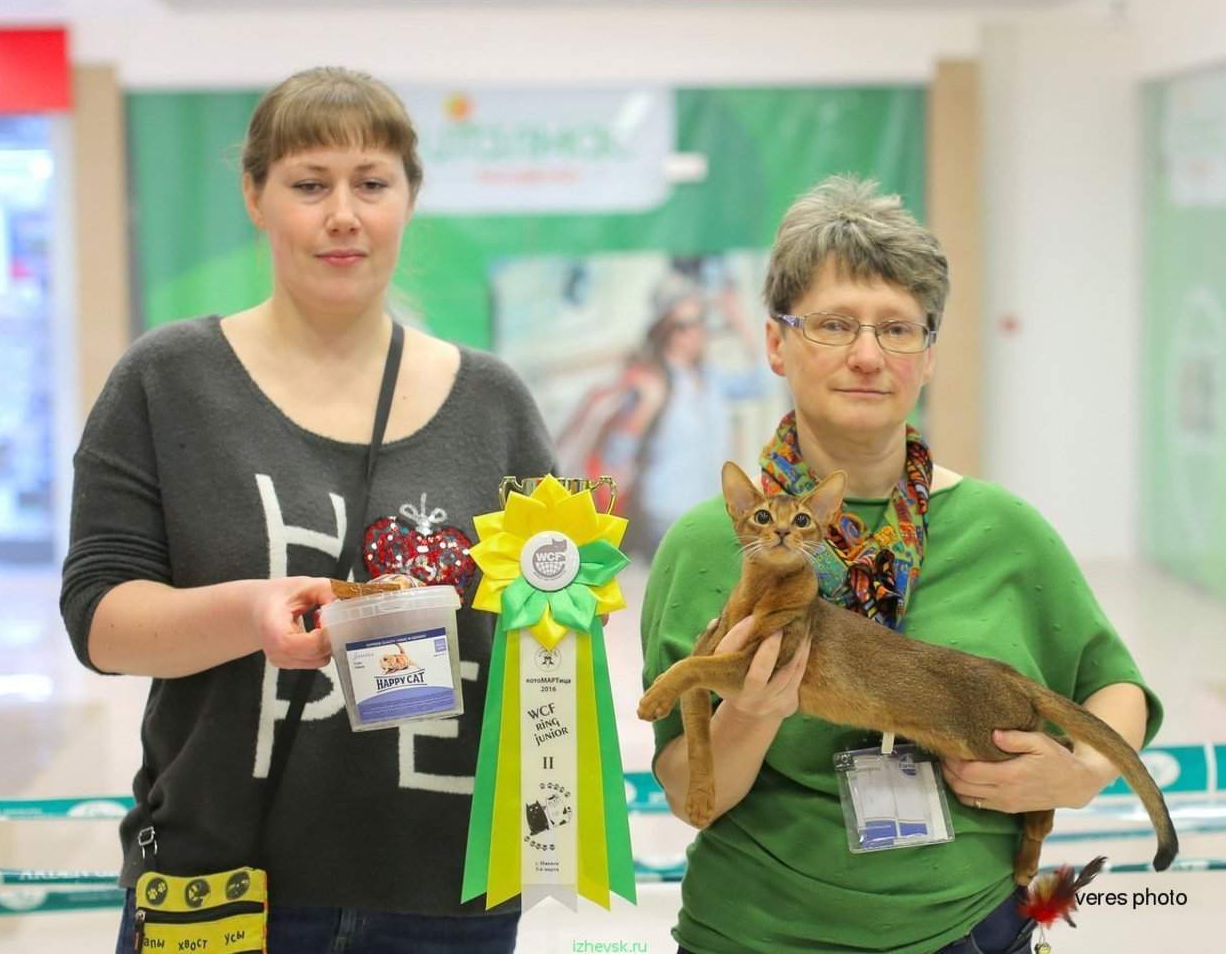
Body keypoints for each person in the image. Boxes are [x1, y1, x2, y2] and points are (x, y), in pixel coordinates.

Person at [60, 67, 553, 953]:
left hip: (445, 897)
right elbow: (100, 620)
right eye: (310, 184)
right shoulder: (168, 380)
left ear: (408, 199)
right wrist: (248, 612)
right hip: (216, 883)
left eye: (372, 183)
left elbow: (548, 627)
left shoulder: (495, 404)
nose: (344, 215)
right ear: (256, 196)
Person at [640, 176, 1162, 954]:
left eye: (898, 328)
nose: (866, 355)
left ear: (928, 355)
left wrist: (1081, 773)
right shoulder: (707, 546)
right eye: (833, 324)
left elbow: (1114, 686)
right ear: (776, 343)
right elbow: (693, 796)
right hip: (756, 935)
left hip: (971, 931)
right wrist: (751, 710)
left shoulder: (1005, 531)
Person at [560, 266, 765, 556]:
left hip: (710, 517)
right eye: (685, 325)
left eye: (701, 321)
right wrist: (645, 407)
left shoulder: (712, 380)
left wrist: (738, 319)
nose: (696, 332)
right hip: (664, 522)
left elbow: (764, 382)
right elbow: (616, 456)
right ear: (667, 331)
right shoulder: (649, 380)